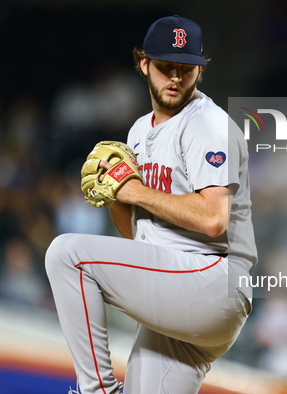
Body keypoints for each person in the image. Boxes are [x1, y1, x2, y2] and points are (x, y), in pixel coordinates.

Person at [45, 15, 257, 394]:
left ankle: (97, 390)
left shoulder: (207, 124)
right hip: (179, 293)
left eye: (186, 68)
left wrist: (133, 191)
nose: (175, 77)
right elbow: (141, 238)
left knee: (67, 254)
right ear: (144, 64)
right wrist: (114, 197)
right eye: (165, 67)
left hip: (212, 281)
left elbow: (213, 219)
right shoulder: (140, 131)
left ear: (200, 70)